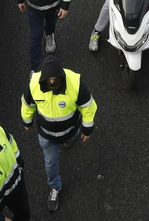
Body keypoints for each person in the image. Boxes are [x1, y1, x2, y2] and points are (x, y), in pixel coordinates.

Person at [20, 55, 95, 212]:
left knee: (69, 139)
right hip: (47, 137)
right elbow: (27, 104)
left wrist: (87, 129)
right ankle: (55, 187)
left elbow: (88, 107)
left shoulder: (75, 82)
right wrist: (27, 122)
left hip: (71, 131)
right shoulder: (34, 83)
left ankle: (67, 140)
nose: (53, 83)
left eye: (56, 79)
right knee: (50, 163)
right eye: (49, 80)